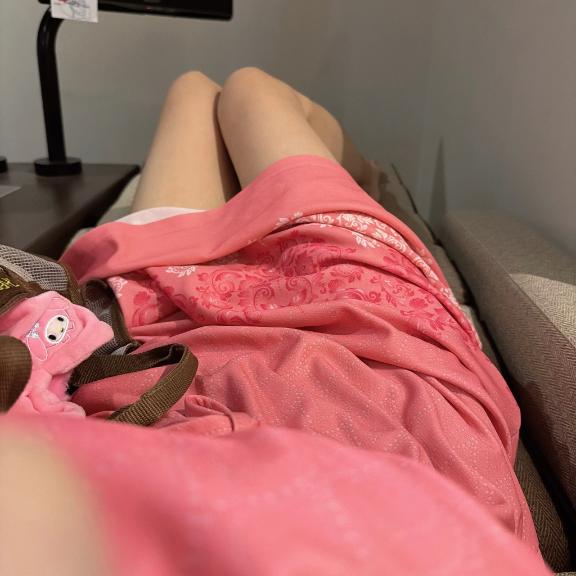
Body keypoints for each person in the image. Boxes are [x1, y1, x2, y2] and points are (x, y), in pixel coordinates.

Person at [0, 68, 551, 576]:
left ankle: (349, 185)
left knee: (194, 89)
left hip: (152, 333)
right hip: (355, 340)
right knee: (248, 88)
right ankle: (369, 182)